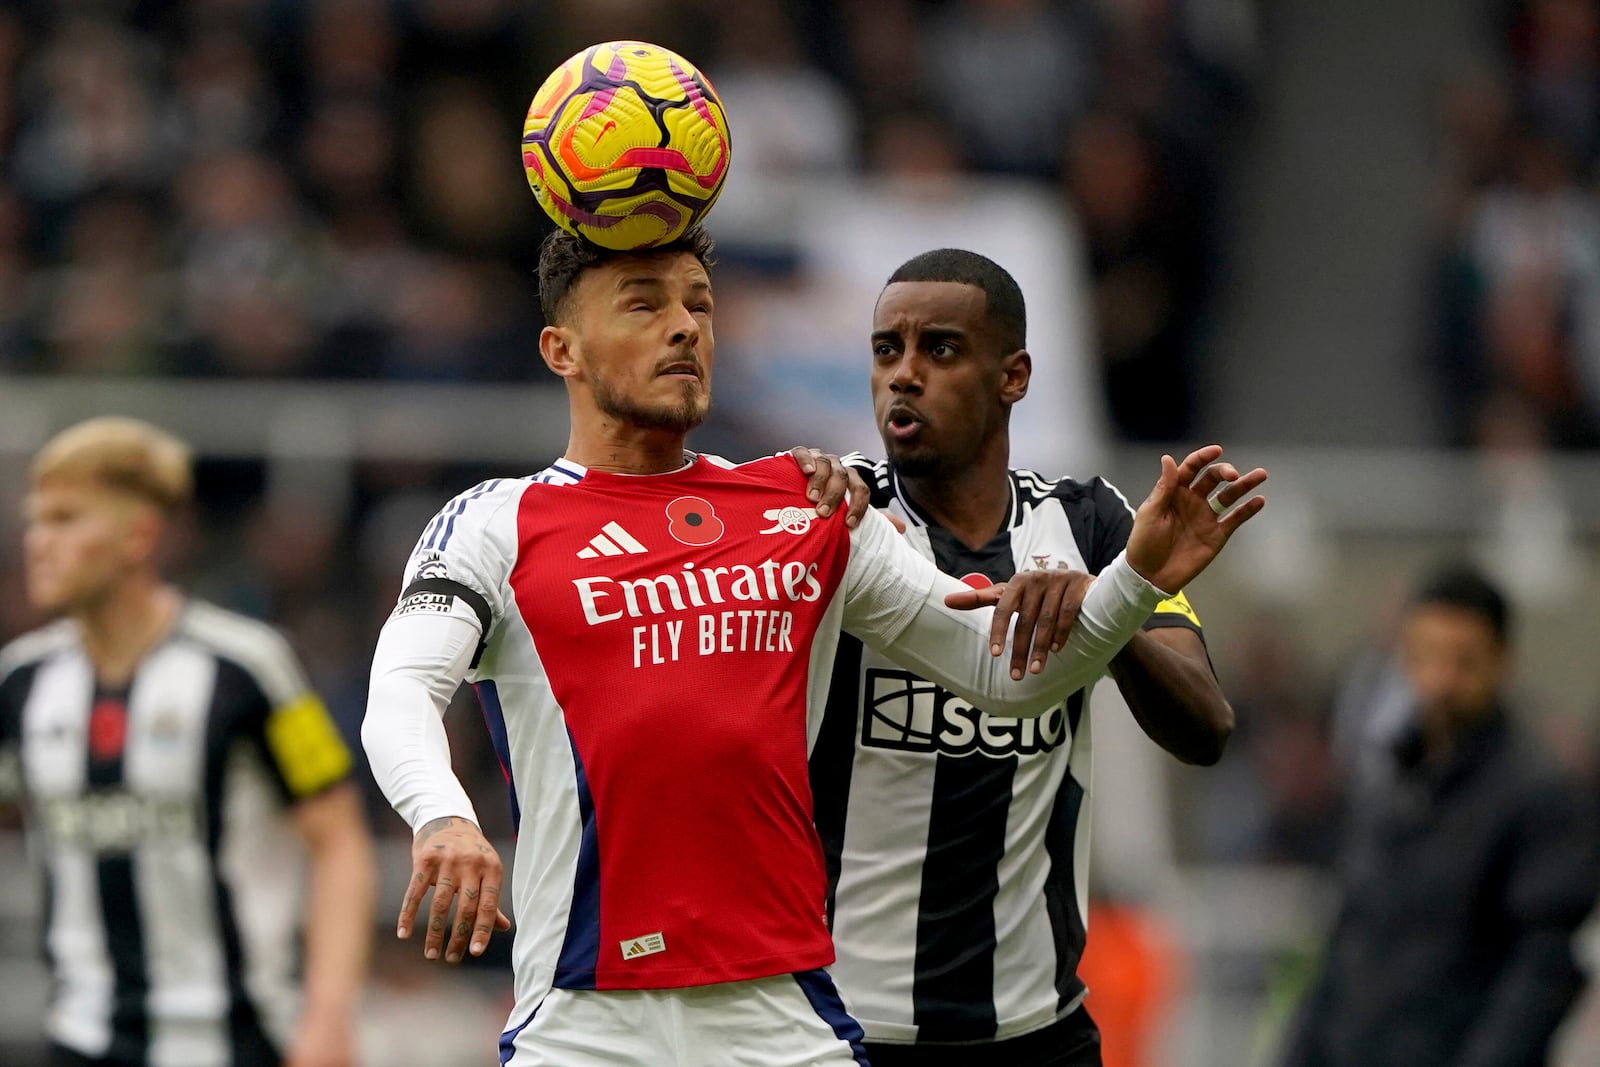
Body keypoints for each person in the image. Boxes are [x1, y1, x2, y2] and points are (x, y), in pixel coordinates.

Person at [360, 226, 1265, 1066]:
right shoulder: (493, 522)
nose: (684, 327)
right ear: (561, 349)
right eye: (645, 304)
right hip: (586, 1020)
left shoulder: (806, 507)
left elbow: (1005, 675)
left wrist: (1134, 580)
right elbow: (402, 686)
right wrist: (441, 812)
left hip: (785, 1022)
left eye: (699, 305)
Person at [810, 249, 1241, 1066]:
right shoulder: (839, 517)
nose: (903, 375)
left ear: (1013, 376)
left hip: (1036, 1034)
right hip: (843, 1031)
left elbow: (1207, 725)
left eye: (938, 349)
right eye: (885, 350)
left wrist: (1103, 614)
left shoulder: (1091, 525)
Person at [0, 417, 376, 1067]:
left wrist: (328, 1014)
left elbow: (339, 838)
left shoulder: (248, 666)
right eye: (35, 521)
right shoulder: (21, 681)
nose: (39, 542)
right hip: (80, 1040)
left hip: (240, 1038)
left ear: (138, 535)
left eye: (64, 519)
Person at [1280, 564, 1600, 1067]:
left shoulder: (1539, 792)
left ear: (1502, 660)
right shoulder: (1388, 782)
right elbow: (1346, 944)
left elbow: (1542, 969)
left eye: (1464, 661)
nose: (1443, 680)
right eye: (1427, 657)